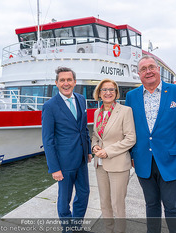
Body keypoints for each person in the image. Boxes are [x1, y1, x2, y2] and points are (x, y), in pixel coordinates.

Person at [125, 55, 176, 233]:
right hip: (142, 160)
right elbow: (129, 129)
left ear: (158, 69)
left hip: (169, 160)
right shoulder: (131, 96)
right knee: (151, 204)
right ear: (139, 74)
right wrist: (132, 155)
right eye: (143, 69)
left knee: (172, 206)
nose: (148, 72)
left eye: (151, 67)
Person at [42, 67, 92, 232]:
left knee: (84, 194)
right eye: (62, 80)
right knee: (64, 199)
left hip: (82, 159)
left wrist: (89, 149)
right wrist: (54, 168)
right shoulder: (50, 106)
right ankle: (67, 229)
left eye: (69, 80)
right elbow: (48, 139)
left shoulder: (81, 99)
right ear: (56, 83)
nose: (66, 83)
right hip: (64, 162)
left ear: (75, 82)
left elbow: (83, 128)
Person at [91, 78, 136, 233]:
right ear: (99, 93)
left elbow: (130, 138)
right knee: (104, 203)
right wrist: (94, 146)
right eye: (104, 90)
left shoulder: (125, 111)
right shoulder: (97, 112)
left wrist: (108, 151)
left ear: (116, 93)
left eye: (111, 90)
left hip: (118, 164)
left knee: (117, 204)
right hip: (100, 165)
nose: (108, 92)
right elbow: (96, 135)